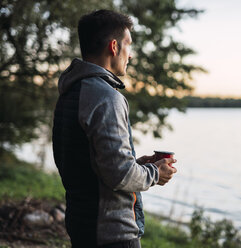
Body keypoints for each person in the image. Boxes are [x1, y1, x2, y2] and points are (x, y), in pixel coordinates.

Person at [52, 9, 177, 248]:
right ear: (114, 47)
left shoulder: (71, 92)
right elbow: (120, 174)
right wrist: (154, 174)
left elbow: (91, 164)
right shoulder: (106, 97)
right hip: (112, 234)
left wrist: (139, 165)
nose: (130, 56)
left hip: (82, 223)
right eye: (128, 45)